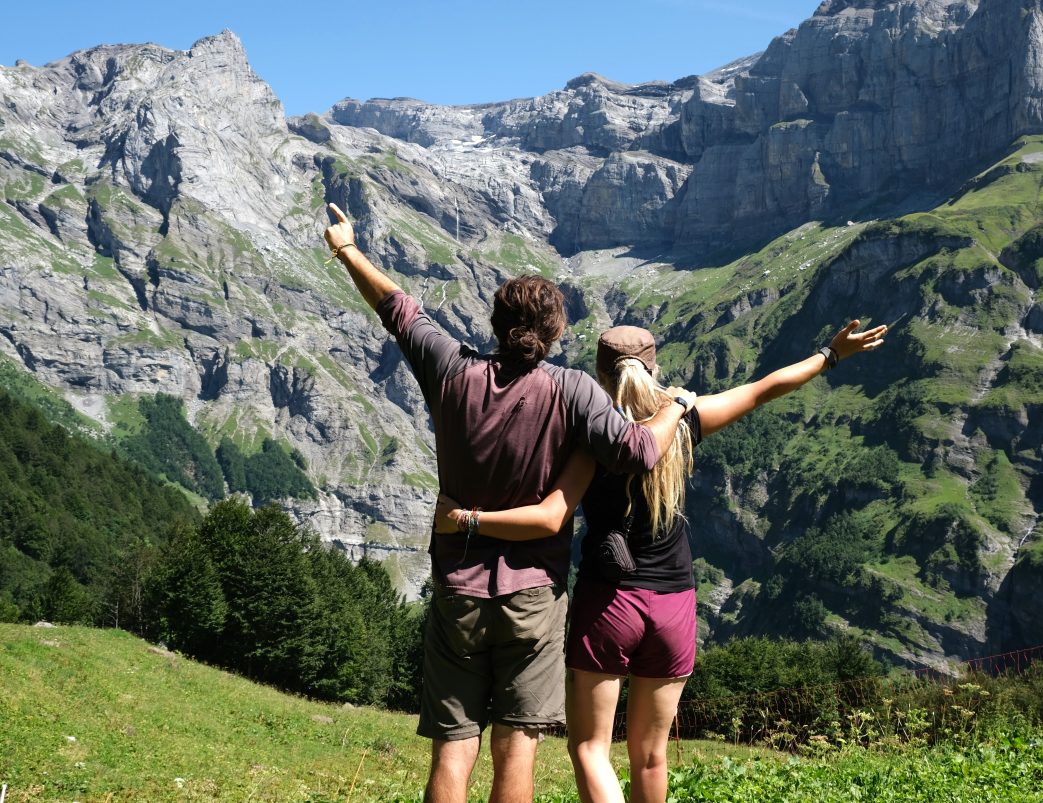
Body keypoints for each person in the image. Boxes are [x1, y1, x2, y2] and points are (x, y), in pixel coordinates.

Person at [322, 204, 695, 803]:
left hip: (458, 587)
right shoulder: (573, 390)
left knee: (453, 746)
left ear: (495, 324)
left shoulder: (450, 370)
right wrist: (674, 406)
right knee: (517, 745)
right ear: (555, 334)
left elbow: (398, 309)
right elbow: (639, 452)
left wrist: (346, 249)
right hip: (533, 596)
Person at [435, 320, 887, 803]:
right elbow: (762, 389)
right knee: (652, 756)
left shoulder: (587, 436)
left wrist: (464, 517)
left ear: (600, 375)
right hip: (674, 603)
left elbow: (550, 510)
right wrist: (828, 355)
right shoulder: (684, 421)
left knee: (589, 747)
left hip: (609, 602)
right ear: (654, 368)